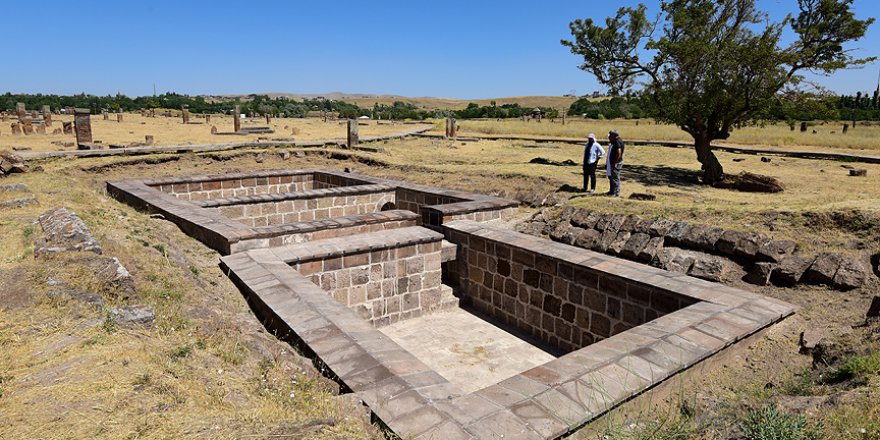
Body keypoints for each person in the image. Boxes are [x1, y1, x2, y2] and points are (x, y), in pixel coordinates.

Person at [606, 130, 625, 197]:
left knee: (615, 178)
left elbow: (619, 152)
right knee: (612, 177)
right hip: (615, 162)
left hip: (616, 163)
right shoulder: (617, 141)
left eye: (610, 136)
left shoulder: (617, 142)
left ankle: (616, 193)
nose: (609, 138)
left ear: (614, 136)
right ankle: (612, 191)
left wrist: (614, 162)